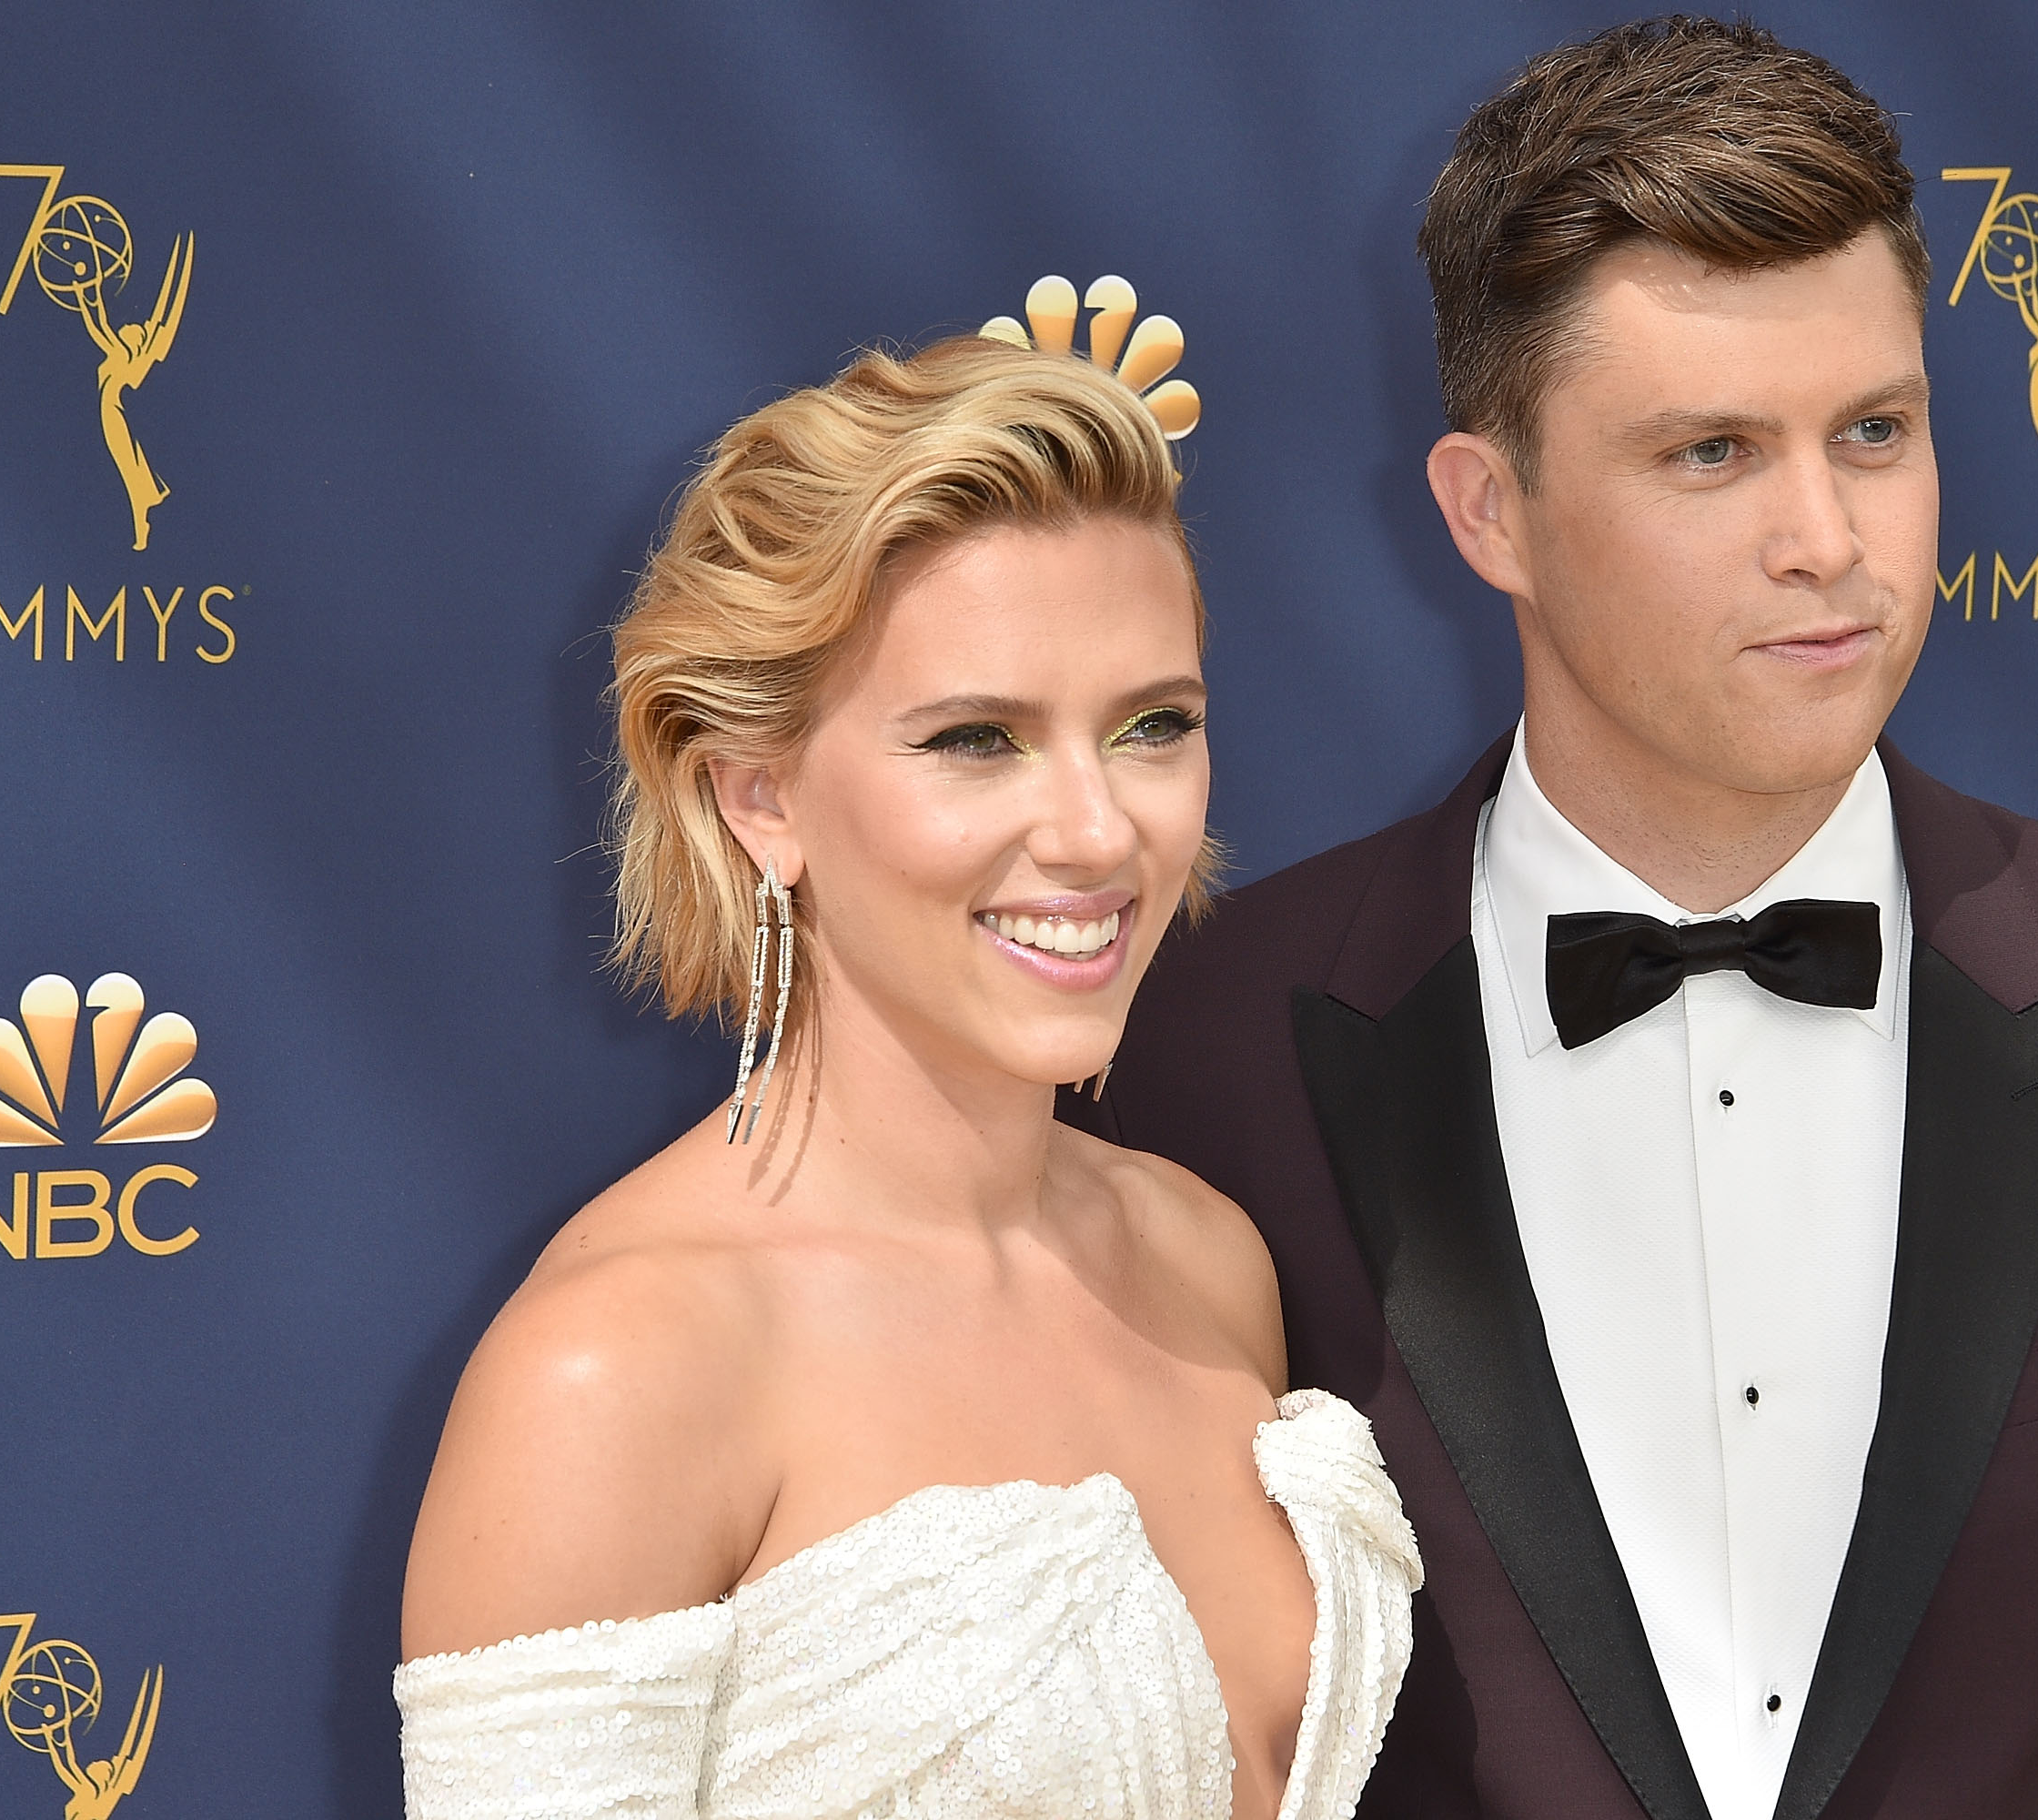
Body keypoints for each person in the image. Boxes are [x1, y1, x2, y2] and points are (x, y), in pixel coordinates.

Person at [1065, 19, 2038, 1820]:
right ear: (1492, 512)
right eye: (1714, 452)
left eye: (1875, 431)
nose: (1828, 537)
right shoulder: (1193, 1054)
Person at [396, 338, 1420, 1820]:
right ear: (759, 796)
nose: (1096, 831)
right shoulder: (619, 1370)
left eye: (1153, 727)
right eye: (977, 740)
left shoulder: (1205, 1256)